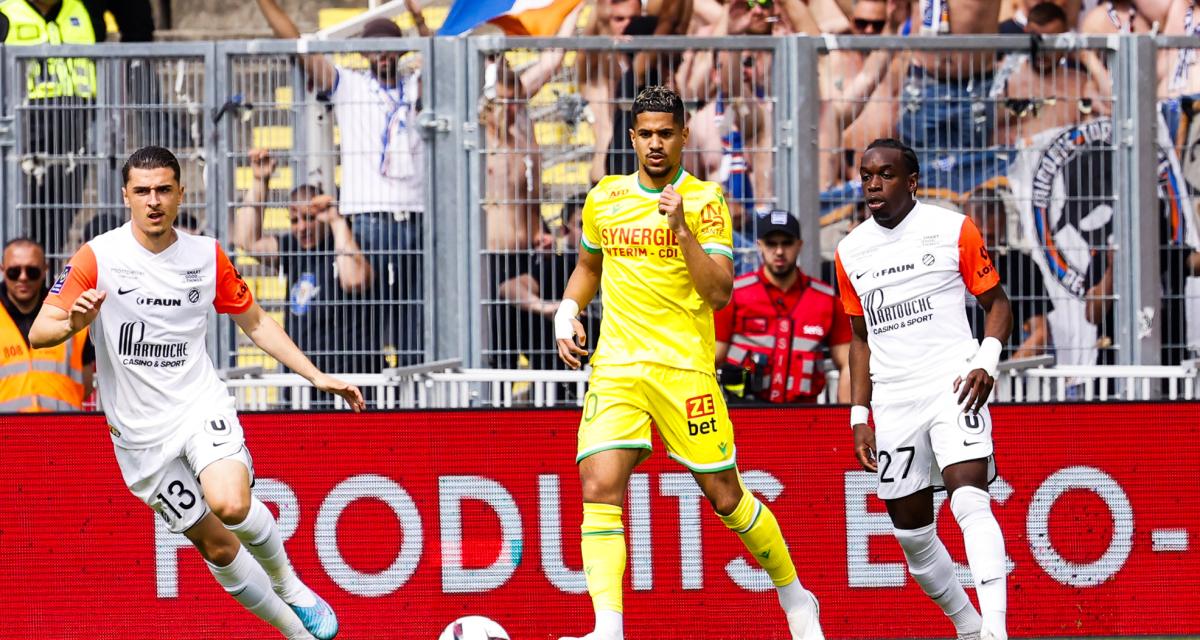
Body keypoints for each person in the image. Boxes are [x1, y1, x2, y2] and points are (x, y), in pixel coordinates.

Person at [29, 146, 365, 640]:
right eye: (142, 191)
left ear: (181, 194)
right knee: (219, 548)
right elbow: (40, 331)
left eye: (164, 189)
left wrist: (315, 376)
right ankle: (293, 631)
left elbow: (256, 321)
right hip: (139, 438)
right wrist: (74, 322)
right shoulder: (98, 256)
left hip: (197, 404)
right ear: (126, 196)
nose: (153, 201)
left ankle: (291, 586)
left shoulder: (206, 255)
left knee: (230, 503)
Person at [553, 86, 823, 640]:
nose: (655, 144)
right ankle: (607, 628)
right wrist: (567, 309)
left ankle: (796, 596)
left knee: (726, 496)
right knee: (597, 485)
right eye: (646, 134)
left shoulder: (704, 202)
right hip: (619, 366)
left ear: (682, 137)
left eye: (666, 134)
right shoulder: (603, 197)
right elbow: (587, 267)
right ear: (633, 138)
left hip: (683, 369)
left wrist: (680, 230)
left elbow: (720, 292)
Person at [835, 139, 1013, 640]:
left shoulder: (951, 227)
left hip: (954, 383)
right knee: (912, 536)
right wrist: (858, 416)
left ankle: (996, 631)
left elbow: (998, 304)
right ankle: (970, 627)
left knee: (969, 500)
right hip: (893, 400)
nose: (872, 183)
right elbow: (858, 339)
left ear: (911, 181)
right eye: (866, 174)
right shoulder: (849, 250)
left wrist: (986, 361)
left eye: (885, 174)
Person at [255, 0, 425, 365]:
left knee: (415, 324)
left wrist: (419, 19)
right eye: (373, 47)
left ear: (401, 52)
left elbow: (445, 59)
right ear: (363, 52)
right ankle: (372, 392)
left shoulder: (414, 88)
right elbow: (297, 44)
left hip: (415, 217)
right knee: (367, 317)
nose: (381, 54)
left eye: (389, 47)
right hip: (367, 219)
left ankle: (414, 401)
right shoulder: (349, 85)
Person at [0, 0, 155, 252]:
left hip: (74, 134)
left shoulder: (82, 10)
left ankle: (47, 276)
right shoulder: (7, 13)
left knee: (61, 214)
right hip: (23, 135)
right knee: (18, 216)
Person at [232, 148, 378, 376]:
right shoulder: (293, 247)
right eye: (294, 220)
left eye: (309, 218)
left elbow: (354, 281)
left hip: (349, 379)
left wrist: (336, 221)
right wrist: (261, 181)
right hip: (304, 382)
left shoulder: (346, 242)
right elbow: (246, 241)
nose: (301, 227)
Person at [715, 210, 852, 403]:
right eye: (771, 243)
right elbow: (712, 359)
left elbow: (849, 364)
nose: (779, 251)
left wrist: (850, 419)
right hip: (745, 413)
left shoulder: (826, 299)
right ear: (759, 245)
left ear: (799, 245)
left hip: (805, 417)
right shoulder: (734, 294)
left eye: (786, 243)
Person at [0, 237, 93, 411]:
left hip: (62, 432)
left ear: (45, 270)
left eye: (32, 271)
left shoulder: (70, 313)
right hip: (6, 434)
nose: (23, 277)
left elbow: (87, 384)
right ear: (3, 270)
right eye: (14, 272)